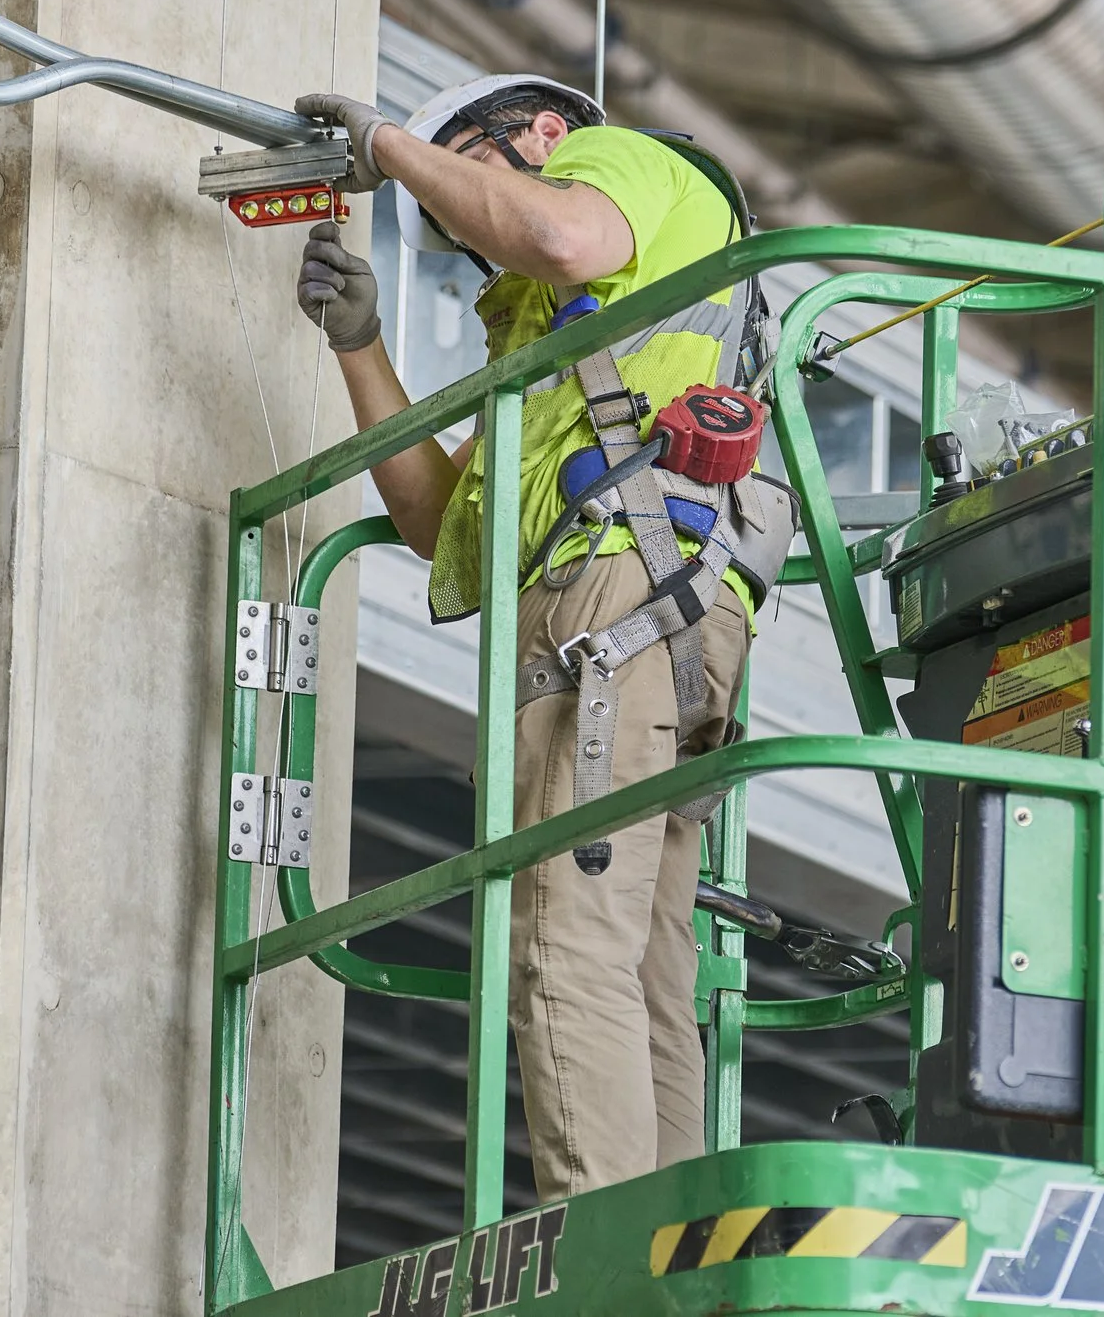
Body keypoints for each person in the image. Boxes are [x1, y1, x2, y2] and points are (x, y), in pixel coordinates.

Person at [287, 75, 788, 1202]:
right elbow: (433, 519)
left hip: (618, 600)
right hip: (669, 609)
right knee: (645, 968)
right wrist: (360, 344)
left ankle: (608, 1258)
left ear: (544, 134)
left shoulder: (618, 172)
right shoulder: (578, 344)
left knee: (563, 944)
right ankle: (670, 1248)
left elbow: (554, 230)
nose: (471, 242)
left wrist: (389, 144)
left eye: (471, 185)